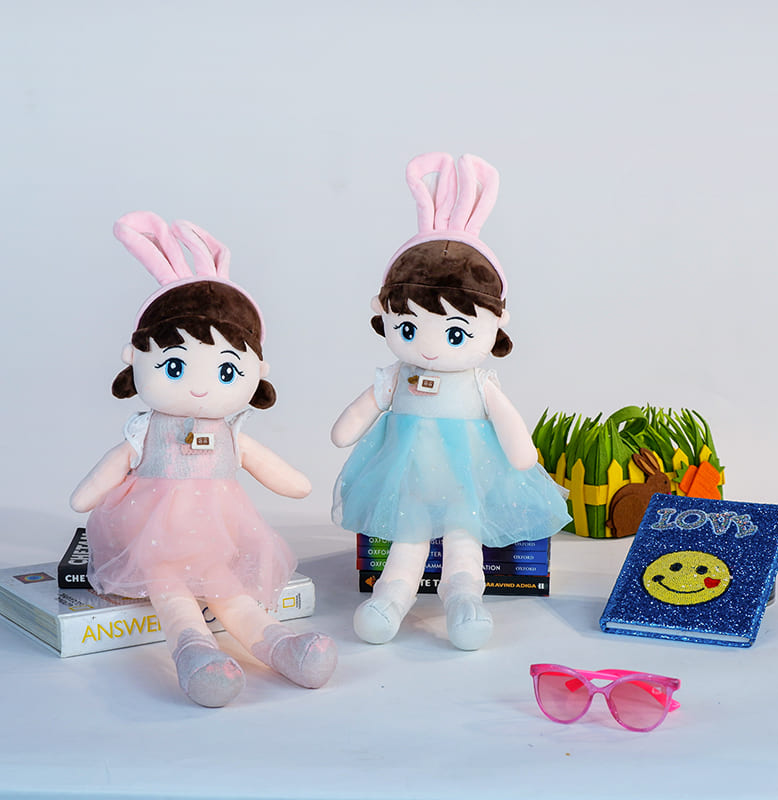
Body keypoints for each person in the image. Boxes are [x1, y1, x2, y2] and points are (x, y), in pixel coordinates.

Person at [71, 212, 336, 707]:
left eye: (226, 371)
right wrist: (86, 497)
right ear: (136, 359)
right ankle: (195, 655)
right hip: (151, 537)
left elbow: (286, 479)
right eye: (174, 366)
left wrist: (299, 484)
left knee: (228, 588)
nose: (198, 386)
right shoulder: (146, 430)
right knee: (172, 594)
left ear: (257, 371)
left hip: (217, 538)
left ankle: (282, 645)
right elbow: (108, 472)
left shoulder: (231, 433)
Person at [332, 153, 571, 651]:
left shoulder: (480, 383)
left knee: (464, 543)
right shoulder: (397, 376)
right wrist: (348, 428)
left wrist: (523, 456)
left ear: (494, 325)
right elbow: (355, 419)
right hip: (408, 478)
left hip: (467, 481)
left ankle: (464, 600)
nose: (428, 347)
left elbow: (512, 435)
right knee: (407, 541)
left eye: (456, 333)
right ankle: (391, 597)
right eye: (408, 328)